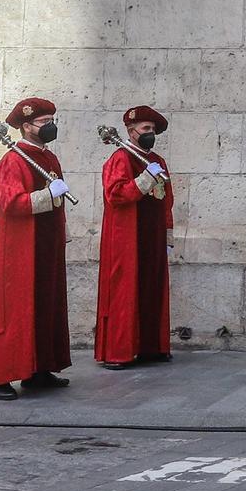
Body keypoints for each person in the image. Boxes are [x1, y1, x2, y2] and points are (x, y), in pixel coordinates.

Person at [0, 97, 72, 401]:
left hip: (46, 245)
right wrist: (48, 194)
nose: (50, 126)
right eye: (44, 122)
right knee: (15, 312)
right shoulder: (13, 160)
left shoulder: (48, 159)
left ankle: (40, 369)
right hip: (18, 250)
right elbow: (11, 203)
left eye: (51, 121)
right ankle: (2, 376)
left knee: (46, 306)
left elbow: (56, 202)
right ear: (26, 126)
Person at [96, 104, 174, 370]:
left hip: (151, 234)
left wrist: (167, 234)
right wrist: (143, 180)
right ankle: (119, 350)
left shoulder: (158, 161)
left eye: (152, 129)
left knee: (152, 287)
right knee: (124, 290)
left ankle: (151, 346)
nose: (150, 133)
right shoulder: (121, 158)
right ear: (131, 132)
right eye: (145, 129)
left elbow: (167, 199)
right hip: (126, 235)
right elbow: (115, 195)